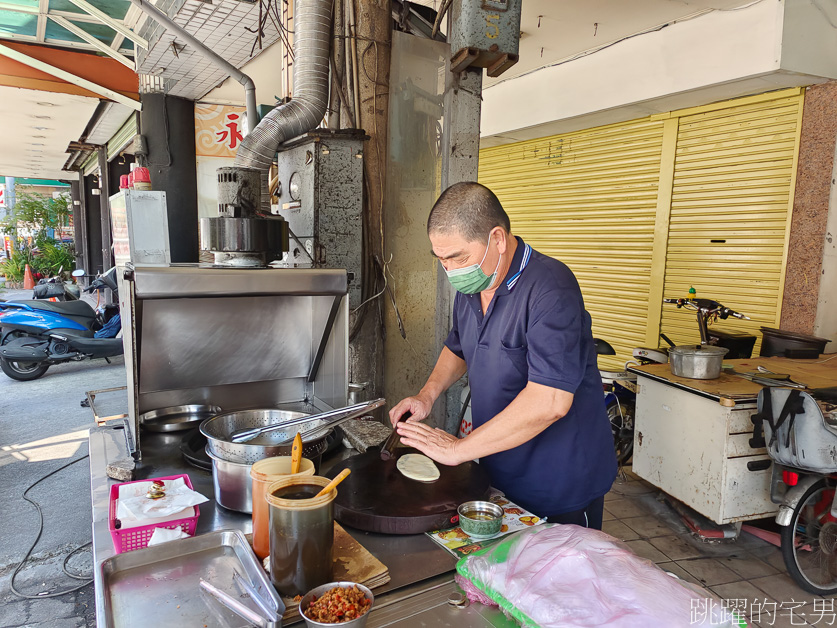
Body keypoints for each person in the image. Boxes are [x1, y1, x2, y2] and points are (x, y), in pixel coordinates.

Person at [389, 181, 617, 529]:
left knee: (557, 578)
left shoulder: (550, 289)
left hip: (558, 480)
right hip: (499, 468)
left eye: (457, 258)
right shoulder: (474, 285)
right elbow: (460, 346)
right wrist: (427, 395)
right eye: (441, 261)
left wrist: (457, 451)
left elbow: (550, 401)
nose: (450, 272)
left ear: (497, 238)